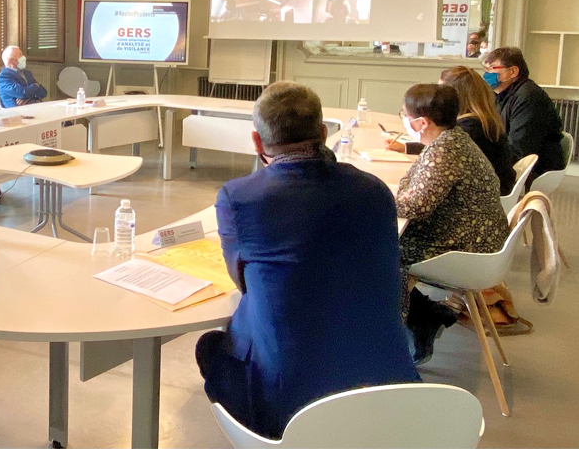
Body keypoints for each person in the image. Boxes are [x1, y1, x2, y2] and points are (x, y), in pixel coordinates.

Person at [198, 82, 418, 440]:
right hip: (386, 385)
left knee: (216, 345)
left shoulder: (240, 197)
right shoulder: (375, 190)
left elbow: (243, 281)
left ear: (256, 142)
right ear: (323, 133)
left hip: (291, 405)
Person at [395, 84, 509, 363]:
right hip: (476, 237)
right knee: (383, 247)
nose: (404, 120)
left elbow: (416, 206)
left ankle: (414, 326)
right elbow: (413, 189)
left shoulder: (445, 151)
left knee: (379, 253)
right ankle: (428, 316)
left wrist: (375, 198)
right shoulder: (453, 138)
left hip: (468, 247)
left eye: (405, 115)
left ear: (422, 122)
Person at [386, 67, 516, 196]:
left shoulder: (468, 128)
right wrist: (407, 147)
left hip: (487, 195)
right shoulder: (480, 119)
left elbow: (442, 151)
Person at [483, 47, 565, 185]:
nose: (486, 75)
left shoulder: (529, 97)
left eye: (492, 69)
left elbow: (519, 148)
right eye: (486, 69)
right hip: (516, 161)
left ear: (513, 72)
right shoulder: (501, 94)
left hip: (535, 168)